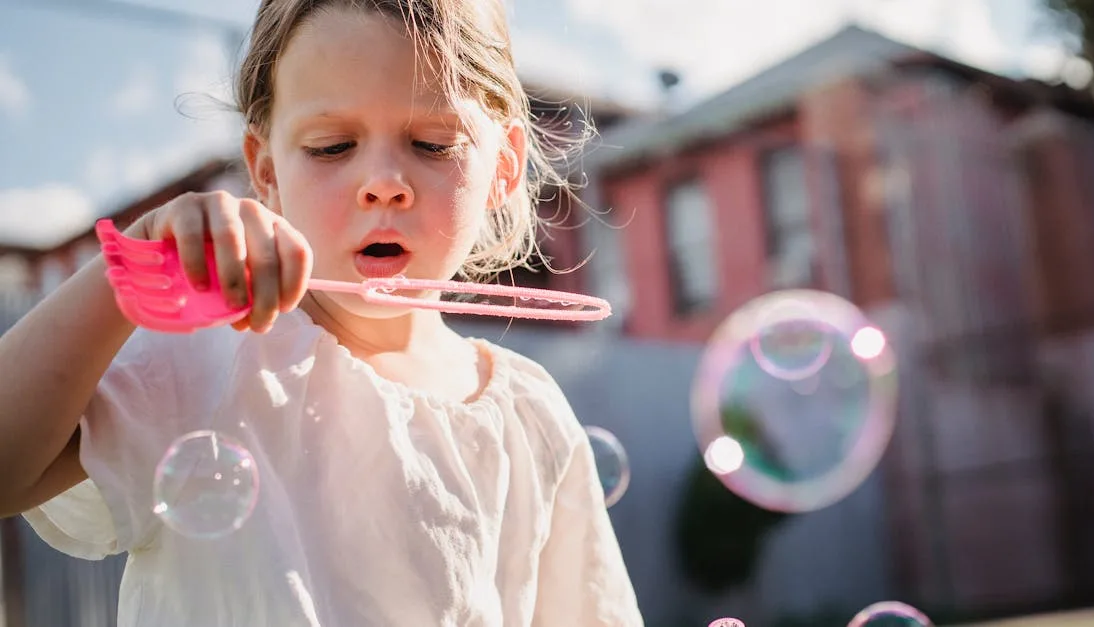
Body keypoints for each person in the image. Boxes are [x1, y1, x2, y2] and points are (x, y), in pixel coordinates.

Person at [0, 0, 643, 625]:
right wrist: (126, 270)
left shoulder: (531, 414)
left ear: (504, 166)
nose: (384, 180)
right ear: (266, 170)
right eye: (333, 146)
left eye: (431, 142)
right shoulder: (207, 357)